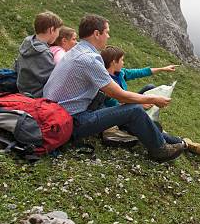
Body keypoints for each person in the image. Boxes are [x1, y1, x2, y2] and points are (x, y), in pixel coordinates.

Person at [43, 14, 185, 163]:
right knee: (134, 110)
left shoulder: (76, 51)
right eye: (107, 32)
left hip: (53, 113)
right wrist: (153, 99)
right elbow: (119, 95)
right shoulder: (90, 59)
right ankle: (159, 150)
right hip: (69, 121)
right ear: (97, 34)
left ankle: (139, 131)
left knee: (121, 106)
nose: (108, 36)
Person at [101, 45, 200, 154]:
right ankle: (184, 143)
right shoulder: (106, 81)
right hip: (118, 114)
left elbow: (140, 72)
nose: (123, 62)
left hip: (127, 103)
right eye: (122, 60)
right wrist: (140, 103)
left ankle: (149, 119)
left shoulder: (120, 73)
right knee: (152, 128)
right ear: (113, 62)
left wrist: (163, 69)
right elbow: (115, 104)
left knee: (150, 88)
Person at [14, 11, 63, 98]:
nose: (58, 35)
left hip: (22, 88)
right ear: (51, 30)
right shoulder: (43, 53)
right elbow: (52, 80)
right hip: (36, 95)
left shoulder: (28, 42)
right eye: (58, 31)